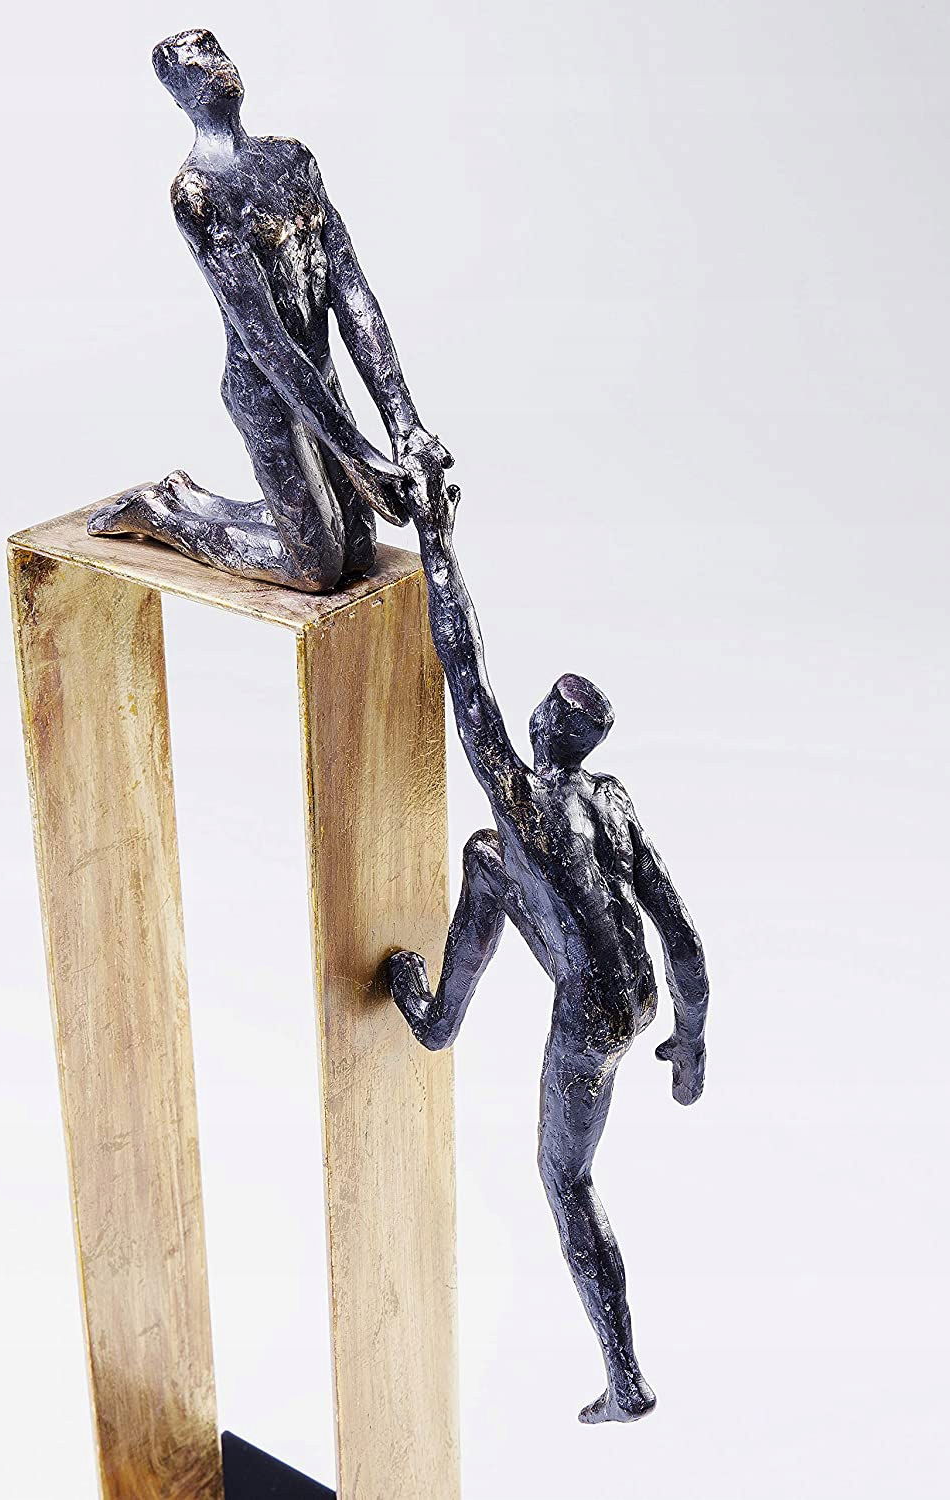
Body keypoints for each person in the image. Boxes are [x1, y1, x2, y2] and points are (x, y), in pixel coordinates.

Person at [384, 459, 710, 1424]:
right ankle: (439, 1020)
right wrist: (691, 1040)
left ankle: (626, 1380)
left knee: (564, 1179)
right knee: (486, 862)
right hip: (641, 994)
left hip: (592, 1015)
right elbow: (682, 935)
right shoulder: (610, 801)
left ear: (544, 726)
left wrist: (437, 544)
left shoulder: (523, 799)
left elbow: (465, 674)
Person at [90, 29, 446, 591]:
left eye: (216, 51)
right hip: (266, 391)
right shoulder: (198, 191)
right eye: (194, 63)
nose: (215, 66)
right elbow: (266, 340)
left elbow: (352, 290)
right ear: (177, 93)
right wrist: (359, 453)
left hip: (319, 381)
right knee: (316, 569)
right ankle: (164, 513)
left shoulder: (293, 158)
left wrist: (405, 426)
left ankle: (212, 501)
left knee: (359, 552)